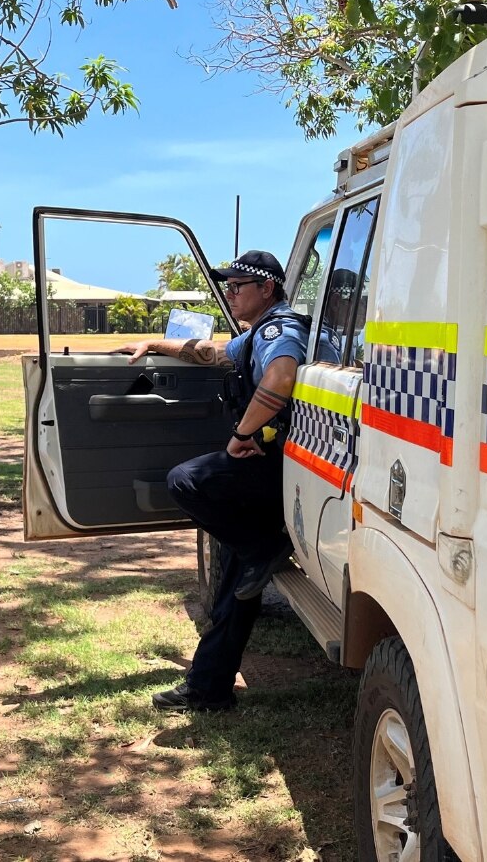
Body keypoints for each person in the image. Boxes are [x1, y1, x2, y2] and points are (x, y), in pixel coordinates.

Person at [116, 249, 308, 713]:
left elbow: (282, 377)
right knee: (239, 577)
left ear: (267, 289)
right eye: (228, 285)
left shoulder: (281, 329)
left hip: (279, 464)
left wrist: (241, 434)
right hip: (275, 466)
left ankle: (260, 547)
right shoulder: (257, 332)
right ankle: (209, 689)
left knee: (185, 480)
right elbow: (213, 353)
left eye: (239, 286)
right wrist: (154, 344)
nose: (230, 293)